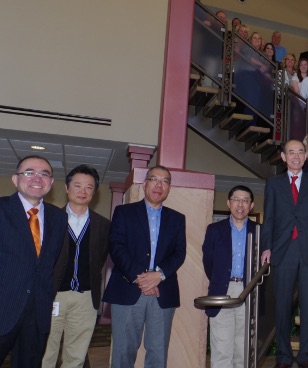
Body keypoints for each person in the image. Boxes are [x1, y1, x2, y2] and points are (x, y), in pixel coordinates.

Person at [103, 166, 187, 368]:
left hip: (162, 292)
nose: (159, 185)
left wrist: (158, 275)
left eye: (165, 181)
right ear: (144, 183)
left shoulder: (177, 218)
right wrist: (141, 277)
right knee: (123, 351)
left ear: (169, 188)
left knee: (158, 352)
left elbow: (179, 253)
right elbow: (116, 247)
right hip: (128, 288)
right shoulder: (124, 212)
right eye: (154, 179)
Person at [260, 140, 308, 368]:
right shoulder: (273, 183)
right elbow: (268, 219)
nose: (296, 156)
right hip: (283, 249)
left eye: (300, 151)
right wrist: (266, 247)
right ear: (283, 156)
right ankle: (283, 356)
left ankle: (307, 356)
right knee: (282, 306)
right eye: (291, 152)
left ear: (306, 155)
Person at [0, 156, 68, 368]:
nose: (37, 178)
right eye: (29, 172)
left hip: (38, 310)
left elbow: (50, 263)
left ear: (51, 182)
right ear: (15, 179)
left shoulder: (59, 217)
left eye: (45, 174)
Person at [42, 165, 111, 368]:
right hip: (52, 295)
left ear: (94, 192)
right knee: (46, 350)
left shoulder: (103, 225)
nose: (83, 191)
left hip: (85, 298)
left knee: (77, 354)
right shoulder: (50, 219)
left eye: (89, 187)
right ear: (67, 188)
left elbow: (104, 257)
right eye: (78, 185)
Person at [202, 185, 257, 368]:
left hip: (249, 292)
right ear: (228, 203)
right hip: (221, 292)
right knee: (222, 350)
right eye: (236, 199)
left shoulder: (260, 231)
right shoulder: (214, 230)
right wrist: (220, 281)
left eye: (245, 200)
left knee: (243, 350)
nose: (240, 204)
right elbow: (208, 263)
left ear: (251, 206)